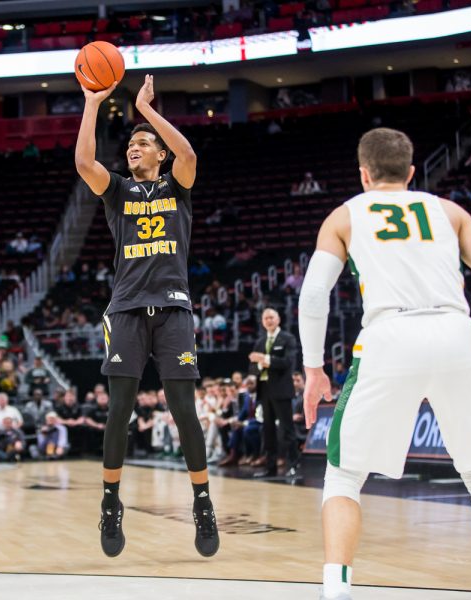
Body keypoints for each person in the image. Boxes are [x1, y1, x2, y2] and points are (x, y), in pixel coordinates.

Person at [298, 127, 471, 600]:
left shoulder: (344, 216)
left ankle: (336, 590)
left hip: (390, 335)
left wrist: (315, 368)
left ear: (363, 173)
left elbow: (315, 294)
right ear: (412, 171)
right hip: (455, 334)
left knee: (343, 475)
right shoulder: (449, 211)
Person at [76, 73, 217, 558]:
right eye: (132, 143)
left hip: (174, 308)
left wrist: (147, 112)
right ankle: (111, 502)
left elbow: (191, 156)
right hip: (128, 309)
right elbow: (83, 162)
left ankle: (202, 502)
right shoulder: (117, 191)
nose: (134, 148)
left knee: (184, 412)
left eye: (144, 144)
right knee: (120, 411)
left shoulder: (178, 187)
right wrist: (93, 104)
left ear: (159, 154)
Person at [248, 308, 299, 475]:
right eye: (265, 318)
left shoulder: (287, 339)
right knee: (267, 430)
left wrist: (265, 360)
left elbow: (288, 362)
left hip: (282, 390)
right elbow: (252, 367)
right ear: (262, 322)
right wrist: (257, 365)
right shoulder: (260, 342)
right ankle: (270, 467)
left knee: (287, 429)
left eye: (271, 317)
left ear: (278, 319)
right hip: (264, 391)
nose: (268, 320)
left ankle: (293, 465)